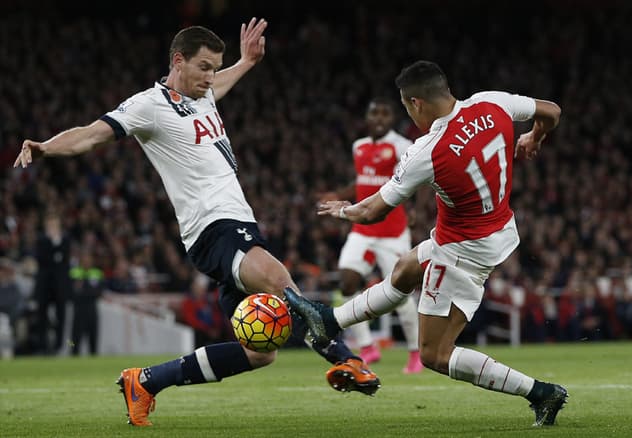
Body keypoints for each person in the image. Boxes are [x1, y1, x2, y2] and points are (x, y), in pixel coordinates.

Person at [13, 19, 379, 427]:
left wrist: (245, 63)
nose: (210, 77)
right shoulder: (148, 105)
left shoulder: (203, 94)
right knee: (280, 282)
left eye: (214, 68)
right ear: (178, 61)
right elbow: (93, 134)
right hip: (212, 227)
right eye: (204, 67)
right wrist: (46, 147)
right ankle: (348, 360)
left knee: (261, 351)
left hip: (237, 224)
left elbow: (218, 85)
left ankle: (147, 381)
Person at [285, 60, 569, 427]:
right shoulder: (492, 102)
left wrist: (342, 211)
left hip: (461, 250)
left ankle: (541, 393)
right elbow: (552, 111)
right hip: (495, 229)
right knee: (404, 269)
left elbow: (372, 212)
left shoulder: (428, 150)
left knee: (434, 354)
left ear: (415, 103)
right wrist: (535, 135)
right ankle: (330, 321)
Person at [317, 97, 422, 373]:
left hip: (392, 231)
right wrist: (338, 196)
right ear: (367, 117)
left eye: (385, 114)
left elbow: (416, 179)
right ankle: (367, 346)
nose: (379, 119)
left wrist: (415, 209)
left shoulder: (402, 146)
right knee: (346, 281)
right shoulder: (359, 146)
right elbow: (364, 182)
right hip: (362, 228)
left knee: (401, 294)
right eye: (374, 113)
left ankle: (415, 352)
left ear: (392, 119)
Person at [33, 212, 71, 354]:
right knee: (41, 316)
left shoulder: (65, 239)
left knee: (61, 317)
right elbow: (42, 259)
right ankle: (42, 346)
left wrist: (56, 248)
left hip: (60, 286)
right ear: (46, 226)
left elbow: (65, 260)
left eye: (54, 225)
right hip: (44, 285)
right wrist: (55, 248)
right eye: (50, 225)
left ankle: (58, 346)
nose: (52, 228)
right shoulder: (41, 240)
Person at [69, 249, 104, 355]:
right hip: (79, 309)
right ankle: (73, 356)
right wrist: (87, 291)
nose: (86, 261)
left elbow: (99, 292)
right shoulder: (74, 272)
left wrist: (83, 290)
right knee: (74, 339)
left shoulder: (97, 273)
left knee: (93, 338)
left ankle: (93, 359)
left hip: (92, 309)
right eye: (84, 258)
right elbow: (72, 292)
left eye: (89, 258)